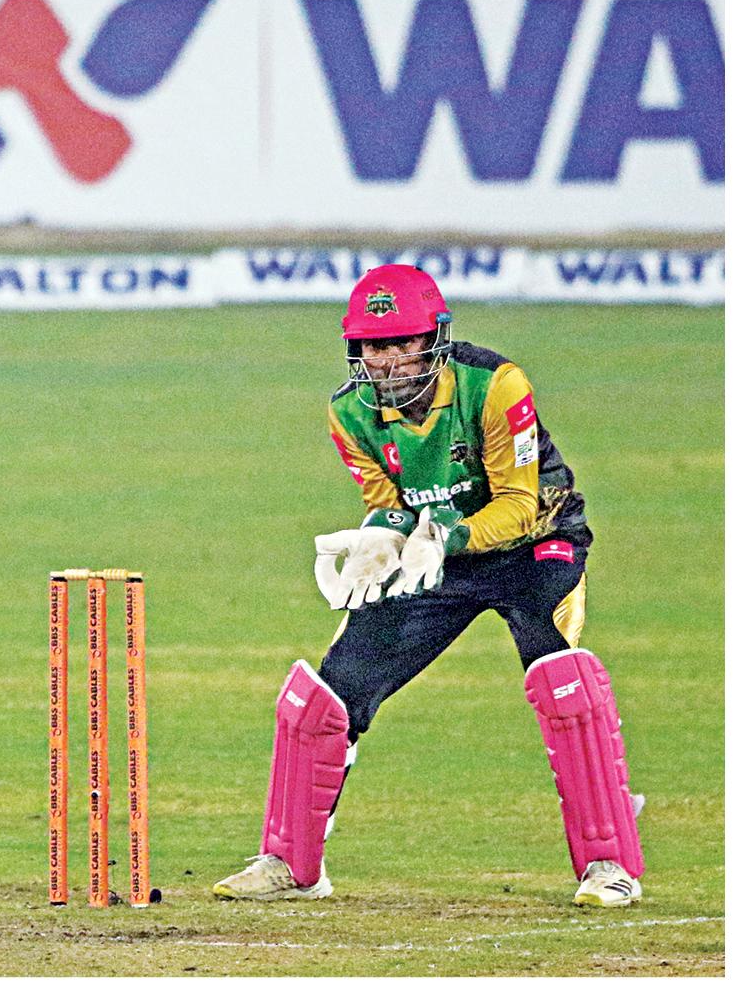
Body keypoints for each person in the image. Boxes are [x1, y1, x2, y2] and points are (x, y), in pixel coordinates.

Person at [213, 264, 644, 908]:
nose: (386, 360)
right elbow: (389, 501)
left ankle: (610, 866)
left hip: (534, 543)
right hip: (431, 553)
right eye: (371, 345)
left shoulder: (494, 385)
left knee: (564, 685)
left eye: (401, 342)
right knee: (327, 698)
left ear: (434, 338)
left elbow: (520, 503)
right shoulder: (348, 412)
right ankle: (291, 864)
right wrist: (379, 538)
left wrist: (446, 537)